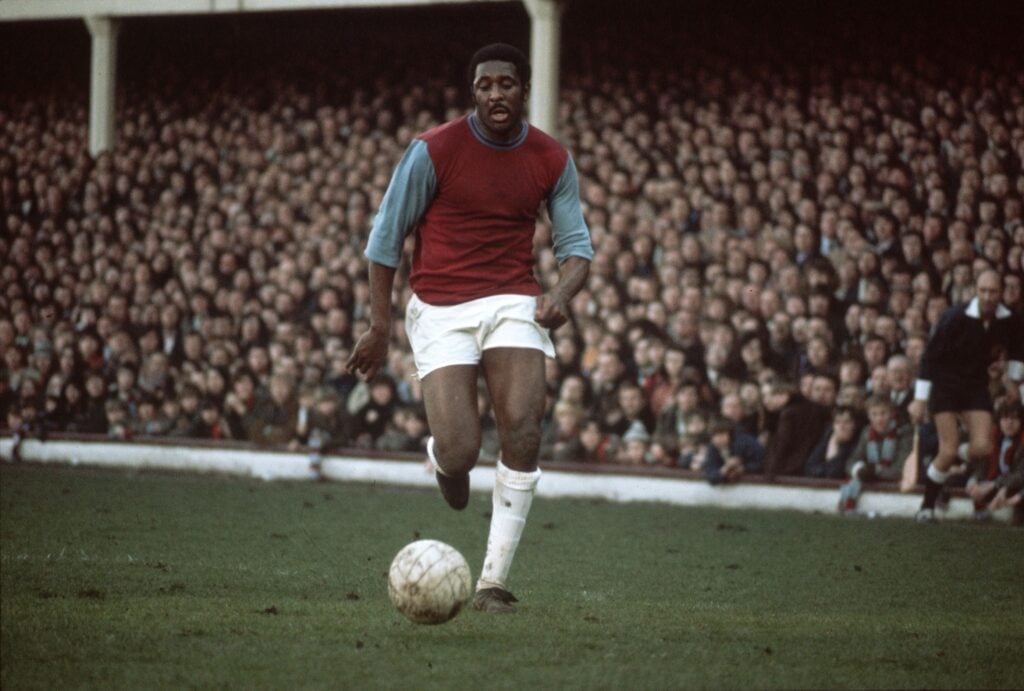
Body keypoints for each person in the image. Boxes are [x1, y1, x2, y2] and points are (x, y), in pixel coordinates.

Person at [347, 43, 592, 614]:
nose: (495, 94)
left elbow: (577, 248)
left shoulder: (551, 157)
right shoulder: (433, 150)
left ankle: (493, 583)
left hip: (513, 299)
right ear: (473, 92)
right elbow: (386, 241)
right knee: (461, 451)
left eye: (506, 83)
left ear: (523, 90)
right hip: (440, 306)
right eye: (485, 85)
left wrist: (559, 293)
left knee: (523, 429)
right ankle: (443, 459)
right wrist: (379, 327)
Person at [909, 270, 1024, 522]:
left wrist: (1013, 382)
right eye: (983, 290)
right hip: (945, 386)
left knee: (984, 447)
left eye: (993, 291)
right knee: (947, 451)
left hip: (975, 387)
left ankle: (957, 454)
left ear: (1001, 293)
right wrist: (920, 399)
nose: (987, 296)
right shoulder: (954, 316)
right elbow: (929, 357)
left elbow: (1017, 350)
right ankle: (927, 507)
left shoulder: (1010, 320)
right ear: (975, 290)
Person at [837, 396, 914, 513]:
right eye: (874, 414)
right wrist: (858, 470)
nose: (879, 419)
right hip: (871, 481)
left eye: (883, 413)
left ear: (892, 414)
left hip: (894, 487)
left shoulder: (904, 433)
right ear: (868, 416)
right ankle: (848, 503)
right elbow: (852, 460)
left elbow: (900, 469)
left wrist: (874, 471)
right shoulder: (866, 432)